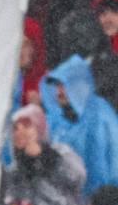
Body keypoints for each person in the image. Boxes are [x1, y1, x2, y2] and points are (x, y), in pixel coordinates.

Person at [39, 53, 118, 195]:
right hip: (66, 198)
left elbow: (109, 161)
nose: (59, 91)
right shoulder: (55, 118)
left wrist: (103, 199)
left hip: (100, 199)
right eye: (57, 86)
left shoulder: (99, 113)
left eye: (64, 85)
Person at [4, 103, 86, 205]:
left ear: (39, 128)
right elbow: (11, 202)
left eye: (27, 126)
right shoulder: (14, 170)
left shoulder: (61, 152)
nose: (20, 132)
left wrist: (44, 156)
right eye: (15, 128)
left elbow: (78, 178)